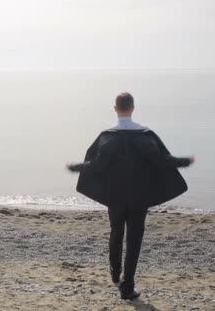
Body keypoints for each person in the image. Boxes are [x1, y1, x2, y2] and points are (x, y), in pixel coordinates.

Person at [67, 92, 194, 300]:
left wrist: (76, 167)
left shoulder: (107, 136)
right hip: (139, 197)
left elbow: (97, 166)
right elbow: (163, 161)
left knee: (116, 232)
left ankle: (115, 273)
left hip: (115, 197)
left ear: (115, 109)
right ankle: (127, 287)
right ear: (133, 108)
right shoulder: (145, 135)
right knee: (134, 239)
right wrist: (184, 161)